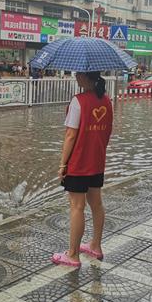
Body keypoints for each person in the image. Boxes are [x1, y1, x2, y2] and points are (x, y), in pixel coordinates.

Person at [52, 72, 113, 267]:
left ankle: (73, 255)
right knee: (96, 204)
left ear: (87, 77)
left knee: (77, 207)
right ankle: (95, 245)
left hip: (79, 163)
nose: (76, 76)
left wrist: (63, 164)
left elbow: (70, 135)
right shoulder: (106, 100)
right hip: (97, 161)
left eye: (79, 73)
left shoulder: (78, 101)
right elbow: (108, 130)